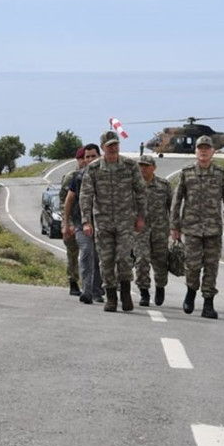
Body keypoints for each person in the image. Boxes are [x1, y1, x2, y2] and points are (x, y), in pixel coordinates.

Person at [170, 135, 224, 320]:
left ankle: (208, 303)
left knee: (211, 267)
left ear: (213, 152)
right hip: (191, 228)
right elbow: (177, 201)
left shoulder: (221, 174)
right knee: (192, 266)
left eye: (207, 148)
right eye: (200, 148)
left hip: (213, 229)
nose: (203, 151)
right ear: (195, 151)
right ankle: (191, 291)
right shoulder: (186, 173)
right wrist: (174, 226)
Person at [80, 131, 146, 312]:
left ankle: (125, 293)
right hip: (103, 222)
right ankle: (110, 296)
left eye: (116, 144)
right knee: (106, 260)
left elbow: (140, 192)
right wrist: (86, 221)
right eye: (109, 145)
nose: (113, 148)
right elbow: (85, 195)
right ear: (103, 148)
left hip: (125, 221)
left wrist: (141, 216)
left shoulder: (130, 166)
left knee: (124, 258)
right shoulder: (93, 169)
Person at [62, 144, 104, 304]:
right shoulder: (78, 177)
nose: (90, 159)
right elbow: (68, 201)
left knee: (99, 257)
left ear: (99, 156)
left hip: (102, 223)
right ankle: (87, 290)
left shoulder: (107, 176)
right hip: (82, 223)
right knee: (86, 252)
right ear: (83, 160)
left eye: (93, 156)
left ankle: (97, 290)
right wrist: (66, 224)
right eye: (87, 157)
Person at [134, 155, 172, 307]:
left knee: (161, 263)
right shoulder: (134, 185)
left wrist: (176, 226)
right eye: (140, 165)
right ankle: (144, 291)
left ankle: (160, 287)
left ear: (154, 168)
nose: (142, 168)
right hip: (140, 231)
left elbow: (172, 206)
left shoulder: (164, 185)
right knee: (141, 260)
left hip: (160, 230)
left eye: (146, 166)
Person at [59, 147, 84, 296]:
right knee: (73, 253)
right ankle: (73, 282)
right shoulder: (71, 177)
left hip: (90, 221)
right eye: (82, 159)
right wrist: (67, 223)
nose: (85, 161)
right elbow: (63, 200)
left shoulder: (96, 174)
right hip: (73, 220)